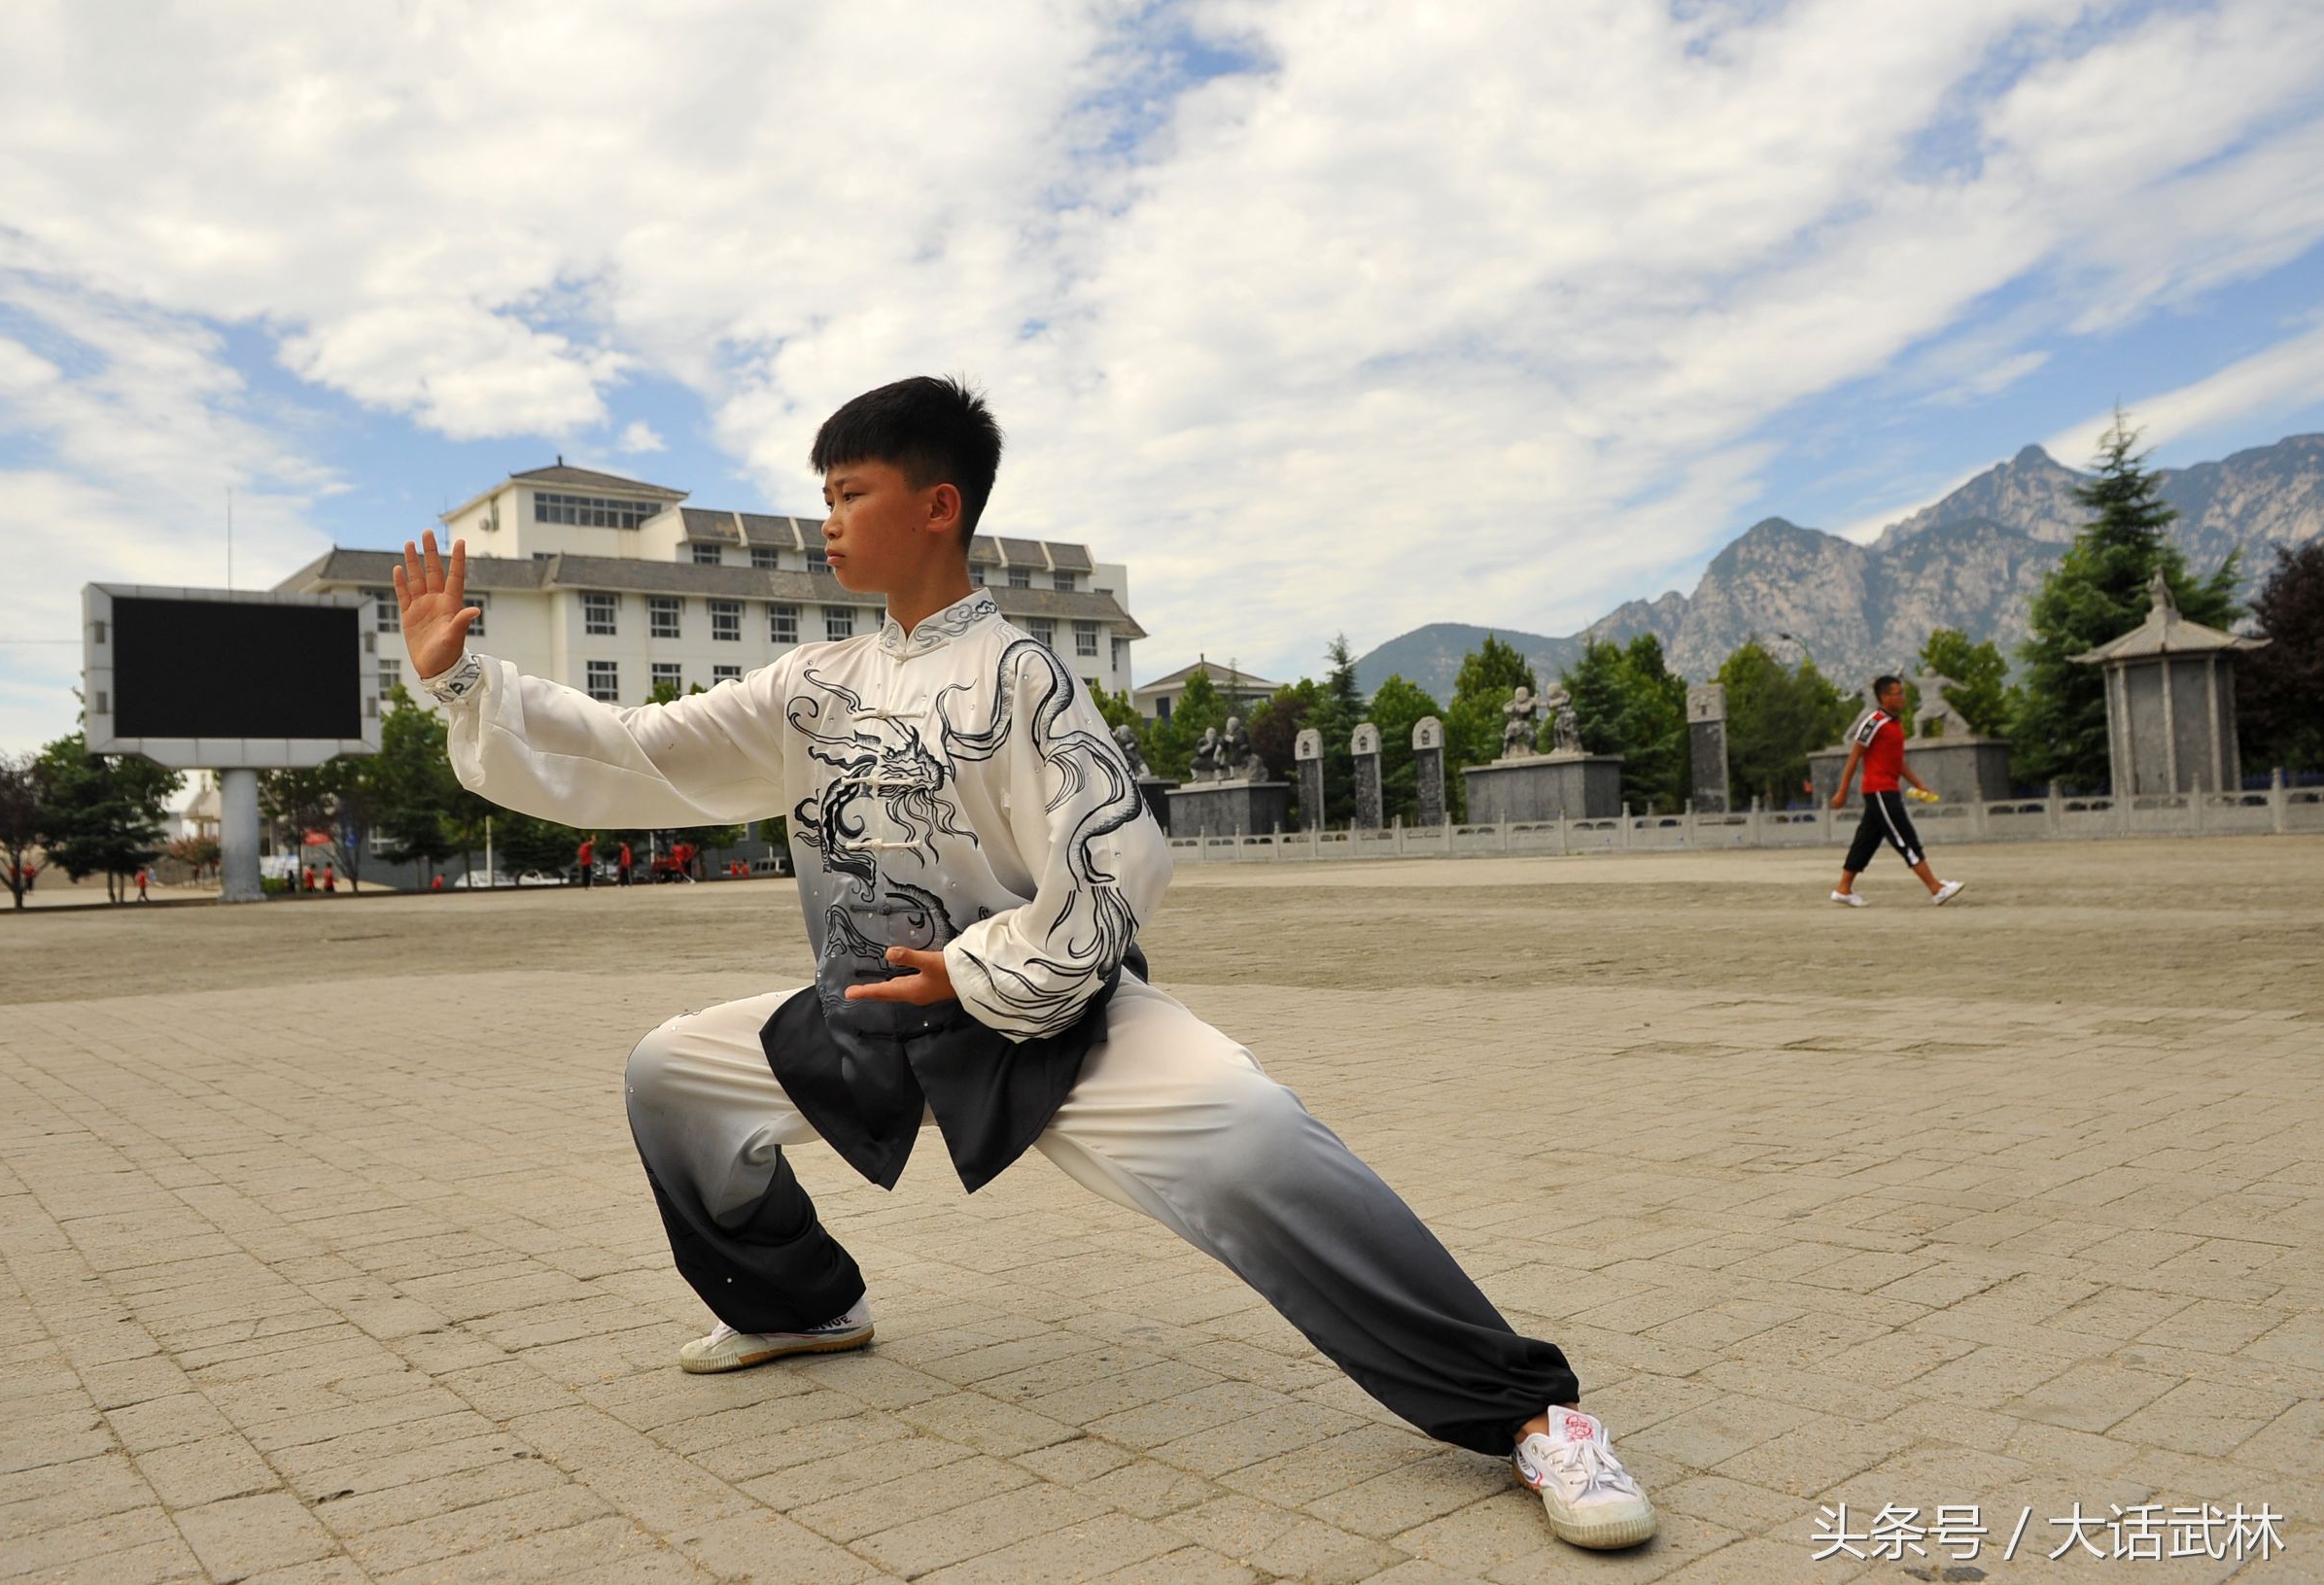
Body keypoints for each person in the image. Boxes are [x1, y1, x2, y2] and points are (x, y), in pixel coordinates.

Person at [396, 376, 1656, 1552]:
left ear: (935, 505)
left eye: (849, 494)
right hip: (871, 1015)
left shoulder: (1020, 672)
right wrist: (469, 681)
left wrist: (977, 969)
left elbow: (1118, 846)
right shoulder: (813, 684)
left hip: (1044, 1018)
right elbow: (636, 747)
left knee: (1255, 1139)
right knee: (673, 1071)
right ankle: (796, 1301)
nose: (824, 522)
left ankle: (1531, 1415)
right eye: (822, 494)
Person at [1829, 674, 1964, 908]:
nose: (1903, 697)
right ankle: (1936, 888)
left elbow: (1897, 761)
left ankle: (1844, 889)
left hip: (1887, 789)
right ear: (1884, 697)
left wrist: (1918, 783)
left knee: (1866, 841)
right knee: (1905, 838)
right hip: (1879, 790)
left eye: (1903, 692)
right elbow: (1855, 756)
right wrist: (1842, 790)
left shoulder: (1895, 723)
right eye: (1898, 693)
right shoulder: (1874, 721)